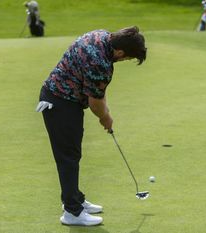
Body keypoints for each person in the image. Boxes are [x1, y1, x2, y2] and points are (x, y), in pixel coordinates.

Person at [36, 26, 147, 226]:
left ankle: (75, 199)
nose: (124, 61)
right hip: (60, 102)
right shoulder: (101, 63)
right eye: (128, 58)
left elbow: (98, 91)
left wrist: (106, 111)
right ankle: (72, 212)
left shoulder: (101, 36)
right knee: (68, 158)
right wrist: (106, 117)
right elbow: (95, 103)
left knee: (72, 155)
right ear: (120, 52)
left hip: (62, 99)